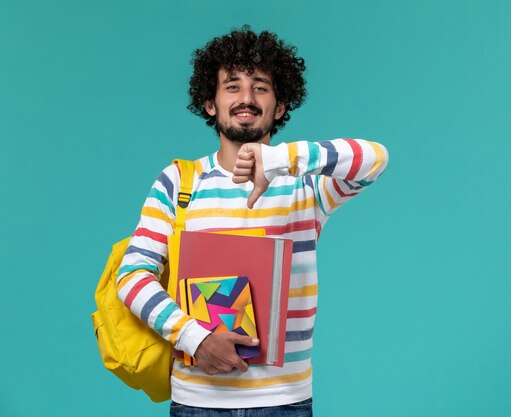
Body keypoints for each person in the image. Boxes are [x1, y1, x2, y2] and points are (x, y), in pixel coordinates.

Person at [117, 26, 389, 416]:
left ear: (280, 106)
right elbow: (132, 277)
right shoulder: (178, 182)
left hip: (285, 402)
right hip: (197, 403)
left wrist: (278, 161)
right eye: (232, 86)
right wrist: (195, 338)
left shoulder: (306, 187)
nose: (246, 98)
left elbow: (375, 159)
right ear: (210, 103)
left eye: (260, 86)